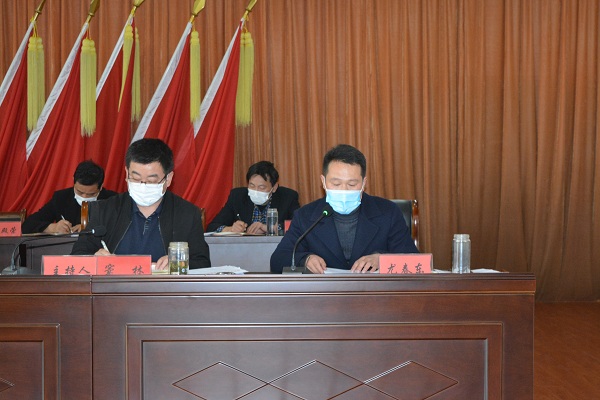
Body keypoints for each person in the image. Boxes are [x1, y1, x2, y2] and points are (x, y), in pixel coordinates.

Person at [270, 144, 419, 274]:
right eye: (336, 184)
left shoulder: (388, 212)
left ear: (363, 183)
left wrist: (381, 260)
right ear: (323, 181)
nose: (344, 190)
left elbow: (415, 261)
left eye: (352, 184)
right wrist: (305, 259)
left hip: (374, 294)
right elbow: (278, 260)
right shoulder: (306, 216)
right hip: (326, 294)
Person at [71, 138, 210, 270]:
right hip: (115, 286)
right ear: (126, 173)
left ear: (168, 179)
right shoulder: (104, 210)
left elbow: (202, 263)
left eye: (151, 181)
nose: (143, 186)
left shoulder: (187, 214)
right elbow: (77, 255)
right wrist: (93, 259)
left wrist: (179, 263)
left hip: (164, 286)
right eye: (136, 179)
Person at [22, 160, 118, 234]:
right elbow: (27, 225)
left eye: (91, 194)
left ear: (101, 187)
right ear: (73, 181)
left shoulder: (113, 200)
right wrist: (52, 228)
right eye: (79, 192)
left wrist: (91, 228)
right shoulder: (61, 198)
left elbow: (121, 227)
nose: (84, 197)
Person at [206, 161, 300, 235]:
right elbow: (212, 227)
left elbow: (299, 226)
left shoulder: (288, 197)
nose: (256, 191)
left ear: (274, 187)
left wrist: (269, 228)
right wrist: (230, 229)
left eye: (261, 187)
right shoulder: (237, 196)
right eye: (252, 186)